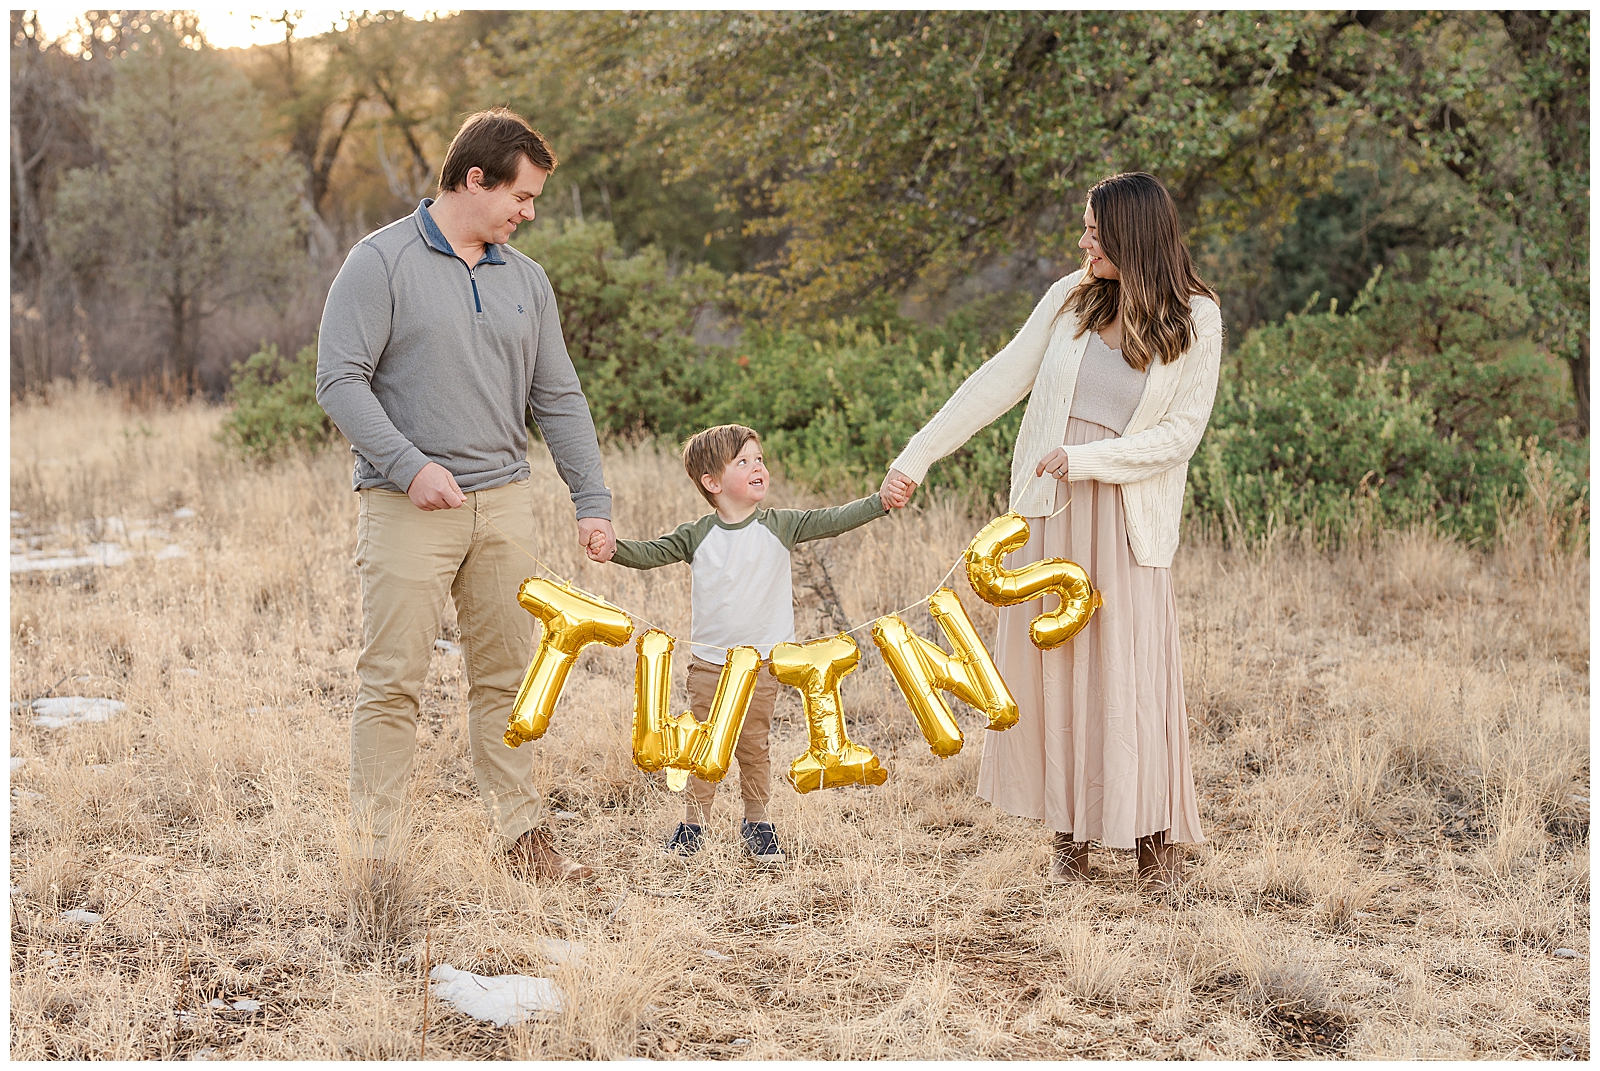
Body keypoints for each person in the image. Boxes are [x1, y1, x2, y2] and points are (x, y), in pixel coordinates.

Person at [878, 172, 1220, 890]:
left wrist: (1089, 458)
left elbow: (1181, 435)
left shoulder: (1197, 317)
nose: (1083, 240)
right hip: (1052, 513)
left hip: (1125, 521)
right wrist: (917, 456)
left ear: (1132, 233)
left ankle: (1153, 848)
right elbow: (999, 379)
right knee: (1059, 670)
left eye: (1094, 229)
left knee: (1131, 673)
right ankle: (1070, 845)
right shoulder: (1070, 299)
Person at [316, 108, 613, 883]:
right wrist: (410, 465)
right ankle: (376, 856)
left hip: (504, 504)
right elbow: (338, 380)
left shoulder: (528, 278)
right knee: (392, 683)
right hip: (404, 505)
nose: (530, 212)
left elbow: (560, 397)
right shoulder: (378, 262)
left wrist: (592, 497)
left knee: (507, 682)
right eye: (522, 196)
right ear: (474, 179)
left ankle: (524, 843)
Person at [604, 425, 891, 864]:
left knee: (754, 745)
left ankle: (757, 822)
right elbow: (649, 553)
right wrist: (612, 549)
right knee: (704, 747)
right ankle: (692, 826)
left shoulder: (782, 525)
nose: (758, 466)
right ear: (713, 483)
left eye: (759, 459)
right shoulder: (696, 535)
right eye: (744, 461)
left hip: (759, 667)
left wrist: (880, 502)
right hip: (710, 666)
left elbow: (834, 519)